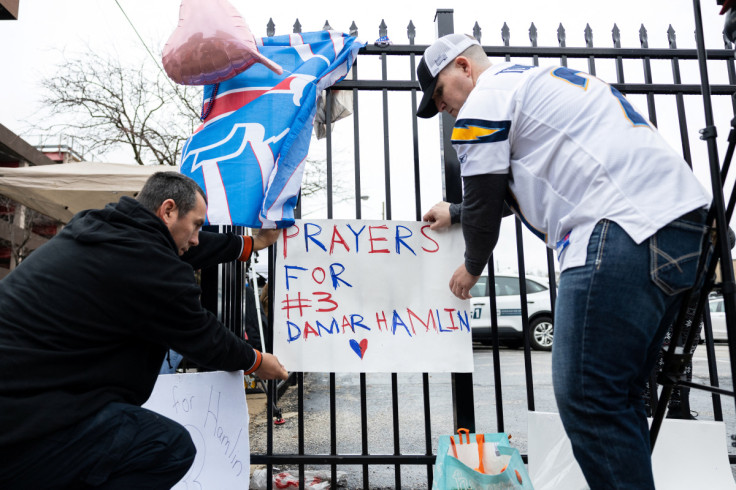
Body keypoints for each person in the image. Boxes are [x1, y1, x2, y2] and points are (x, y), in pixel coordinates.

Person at [418, 34, 711, 489]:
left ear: (463, 67)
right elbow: (507, 191)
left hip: (619, 227)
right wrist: (455, 212)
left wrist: (471, 266)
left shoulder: (484, 102)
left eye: (439, 93)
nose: (443, 108)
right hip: (679, 226)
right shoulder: (529, 82)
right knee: (619, 395)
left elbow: (483, 202)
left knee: (587, 396)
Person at [0, 171, 288, 489]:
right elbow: (205, 338)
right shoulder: (149, 264)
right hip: (23, 425)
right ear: (167, 210)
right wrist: (257, 361)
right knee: (167, 447)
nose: (195, 237)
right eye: (195, 224)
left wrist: (249, 244)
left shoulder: (104, 229)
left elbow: (186, 247)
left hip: (25, 401)